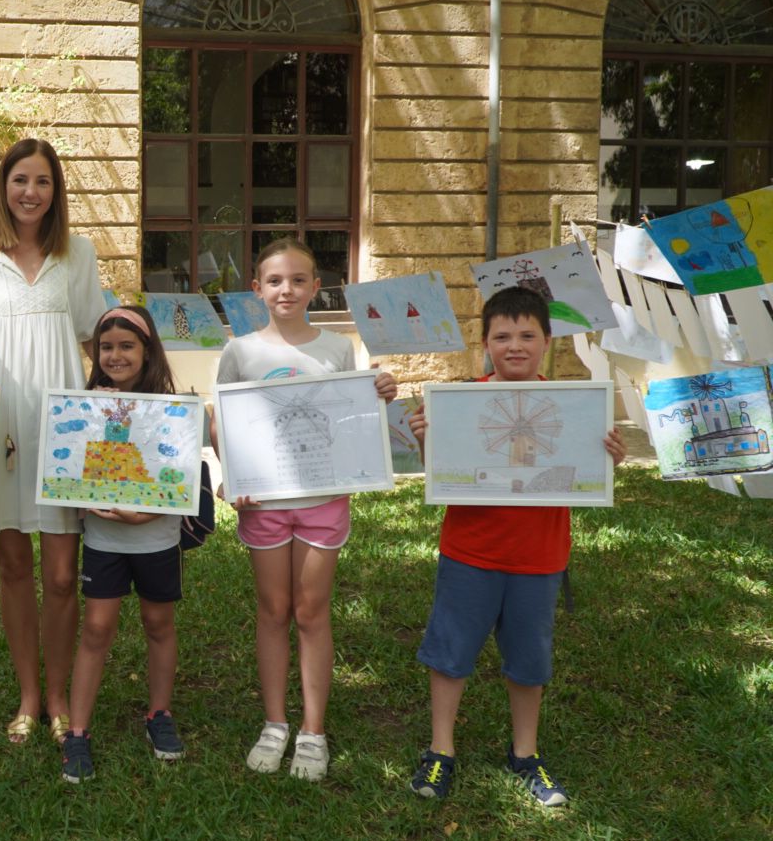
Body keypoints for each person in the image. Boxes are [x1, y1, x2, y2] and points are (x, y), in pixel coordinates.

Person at [407, 286, 625, 806]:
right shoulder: (460, 404)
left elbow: (584, 474)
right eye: (502, 336)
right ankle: (441, 751)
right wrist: (425, 440)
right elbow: (443, 469)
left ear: (548, 342)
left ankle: (525, 754)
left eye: (528, 335)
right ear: (486, 344)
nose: (515, 345)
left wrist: (606, 461)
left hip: (539, 560)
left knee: (529, 660)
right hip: (470, 553)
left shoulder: (575, 409)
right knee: (451, 653)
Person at [214, 237, 396, 781]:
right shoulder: (240, 351)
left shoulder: (338, 348)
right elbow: (225, 423)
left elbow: (352, 418)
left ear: (317, 287)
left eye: (297, 280)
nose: (286, 289)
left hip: (323, 500)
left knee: (311, 612)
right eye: (274, 281)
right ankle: (275, 723)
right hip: (264, 503)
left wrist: (378, 391)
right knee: (272, 611)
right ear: (257, 290)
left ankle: (312, 731)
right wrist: (233, 480)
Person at [0, 138, 108, 745]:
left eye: (43, 181)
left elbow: (99, 339)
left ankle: (60, 693)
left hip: (63, 427)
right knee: (14, 565)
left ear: (56, 191)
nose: (30, 192)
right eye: (21, 179)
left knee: (64, 574)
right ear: (3, 186)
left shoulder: (79, 254)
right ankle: (26, 696)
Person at [60, 306, 203, 782]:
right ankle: (77, 733)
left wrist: (145, 513)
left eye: (126, 346)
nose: (115, 355)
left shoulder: (171, 407)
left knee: (158, 622)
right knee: (96, 628)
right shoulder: (84, 407)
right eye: (106, 347)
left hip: (157, 538)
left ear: (147, 351)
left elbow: (178, 475)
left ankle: (159, 714)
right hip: (103, 539)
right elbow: (69, 473)